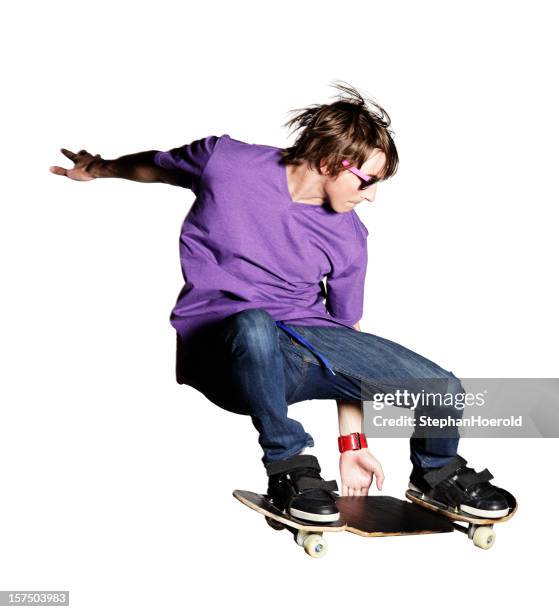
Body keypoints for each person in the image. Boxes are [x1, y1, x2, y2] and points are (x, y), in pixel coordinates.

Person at [50, 82, 512, 524]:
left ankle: (437, 473)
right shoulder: (226, 163)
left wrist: (352, 441)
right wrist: (99, 167)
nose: (371, 195)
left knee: (444, 388)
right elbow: (155, 166)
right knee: (253, 324)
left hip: (302, 353)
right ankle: (289, 467)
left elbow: (343, 343)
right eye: (367, 180)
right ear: (332, 162)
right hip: (226, 353)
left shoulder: (350, 237)